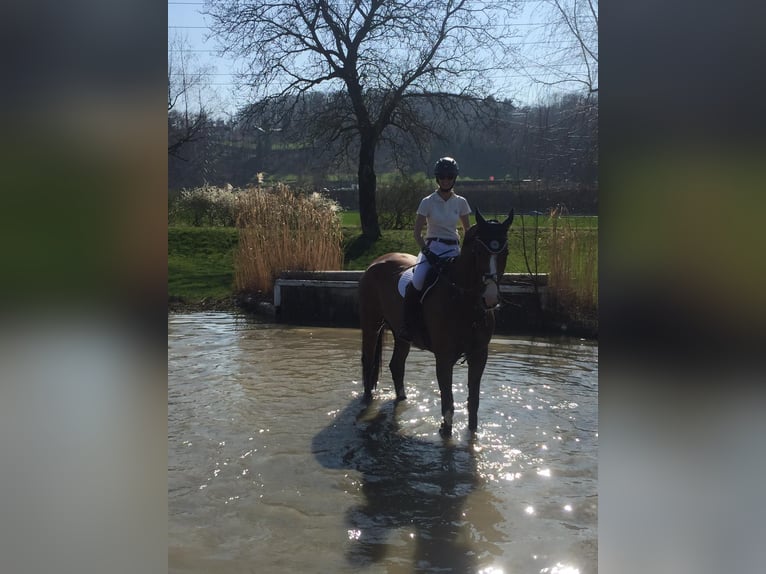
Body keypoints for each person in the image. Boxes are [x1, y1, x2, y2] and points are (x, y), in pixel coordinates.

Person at [399, 156, 471, 342]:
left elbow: (468, 232)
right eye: (442, 177)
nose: (446, 180)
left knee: (470, 283)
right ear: (437, 179)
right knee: (418, 280)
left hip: (453, 249)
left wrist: (468, 253)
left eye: (449, 176)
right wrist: (427, 252)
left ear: (454, 178)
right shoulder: (427, 201)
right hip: (433, 247)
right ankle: (409, 325)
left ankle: (472, 325)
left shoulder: (461, 202)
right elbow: (417, 233)